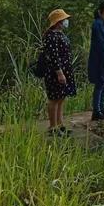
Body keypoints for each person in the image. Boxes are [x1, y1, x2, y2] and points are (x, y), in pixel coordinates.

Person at [43, 8, 76, 136]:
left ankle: (60, 124)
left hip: (65, 69)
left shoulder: (60, 34)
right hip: (55, 71)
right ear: (58, 22)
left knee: (61, 97)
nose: (66, 21)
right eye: (64, 19)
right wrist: (59, 72)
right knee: (54, 98)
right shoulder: (50, 36)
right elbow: (53, 56)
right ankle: (52, 127)